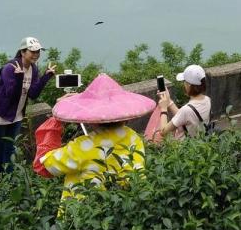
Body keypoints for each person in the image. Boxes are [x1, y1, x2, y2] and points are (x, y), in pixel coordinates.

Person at [37, 73, 155, 207]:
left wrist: (56, 119)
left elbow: (45, 165)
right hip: (126, 208)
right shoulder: (133, 137)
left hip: (86, 215)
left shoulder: (82, 146)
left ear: (92, 120)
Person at [0, 36, 55, 172]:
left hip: (15, 115)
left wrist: (46, 76)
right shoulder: (10, 68)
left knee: (10, 147)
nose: (36, 55)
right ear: (22, 52)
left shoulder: (33, 69)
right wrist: (19, 77)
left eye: (38, 52)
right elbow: (11, 95)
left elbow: (33, 94)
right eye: (32, 51)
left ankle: (8, 178)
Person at [154, 64, 213, 140]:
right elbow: (185, 117)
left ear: (189, 85)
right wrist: (169, 101)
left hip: (184, 148)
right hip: (199, 142)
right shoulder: (208, 100)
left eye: (184, 82)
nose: (183, 84)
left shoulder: (186, 110)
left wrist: (164, 109)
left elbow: (163, 132)